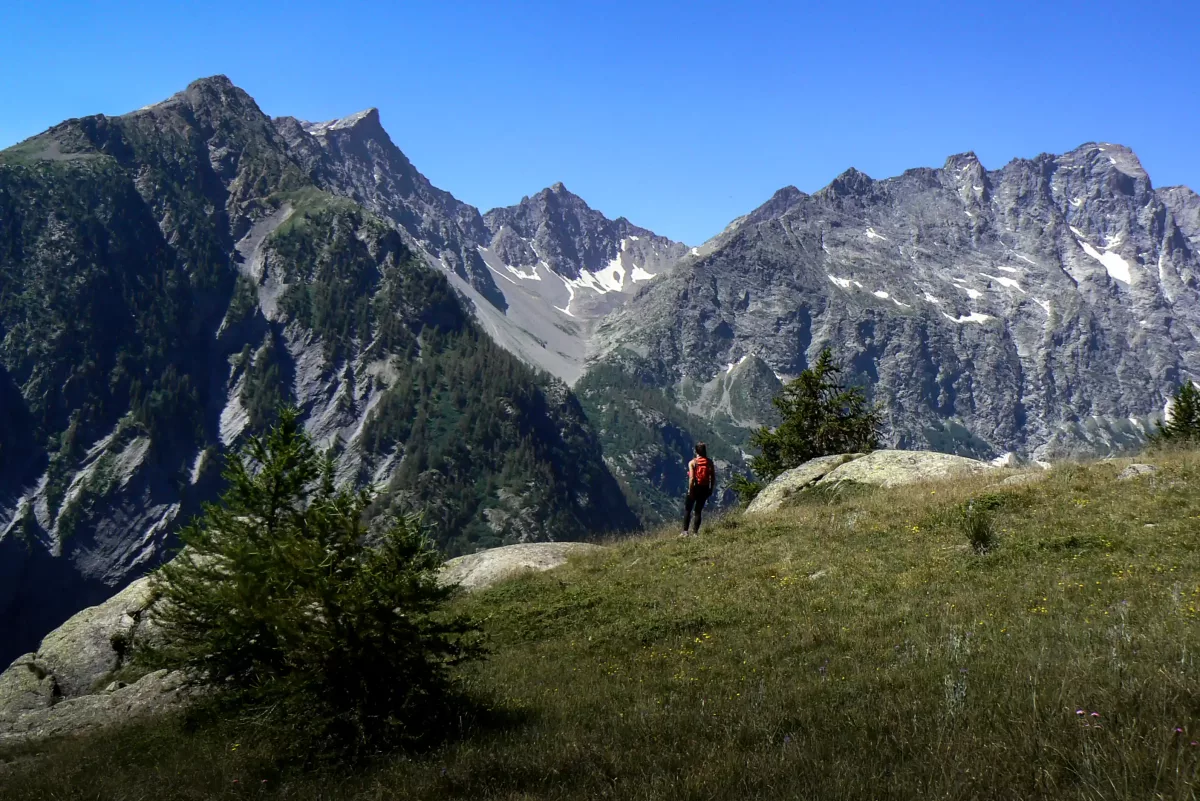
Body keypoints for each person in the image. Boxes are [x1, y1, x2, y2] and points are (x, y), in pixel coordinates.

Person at [682, 442, 716, 537]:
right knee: (698, 511)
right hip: (705, 488)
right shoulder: (709, 462)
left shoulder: (692, 463)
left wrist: (690, 490)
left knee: (688, 509)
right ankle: (695, 533)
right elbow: (712, 477)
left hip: (695, 488)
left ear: (696, 451)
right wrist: (710, 489)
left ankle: (685, 532)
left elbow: (692, 478)